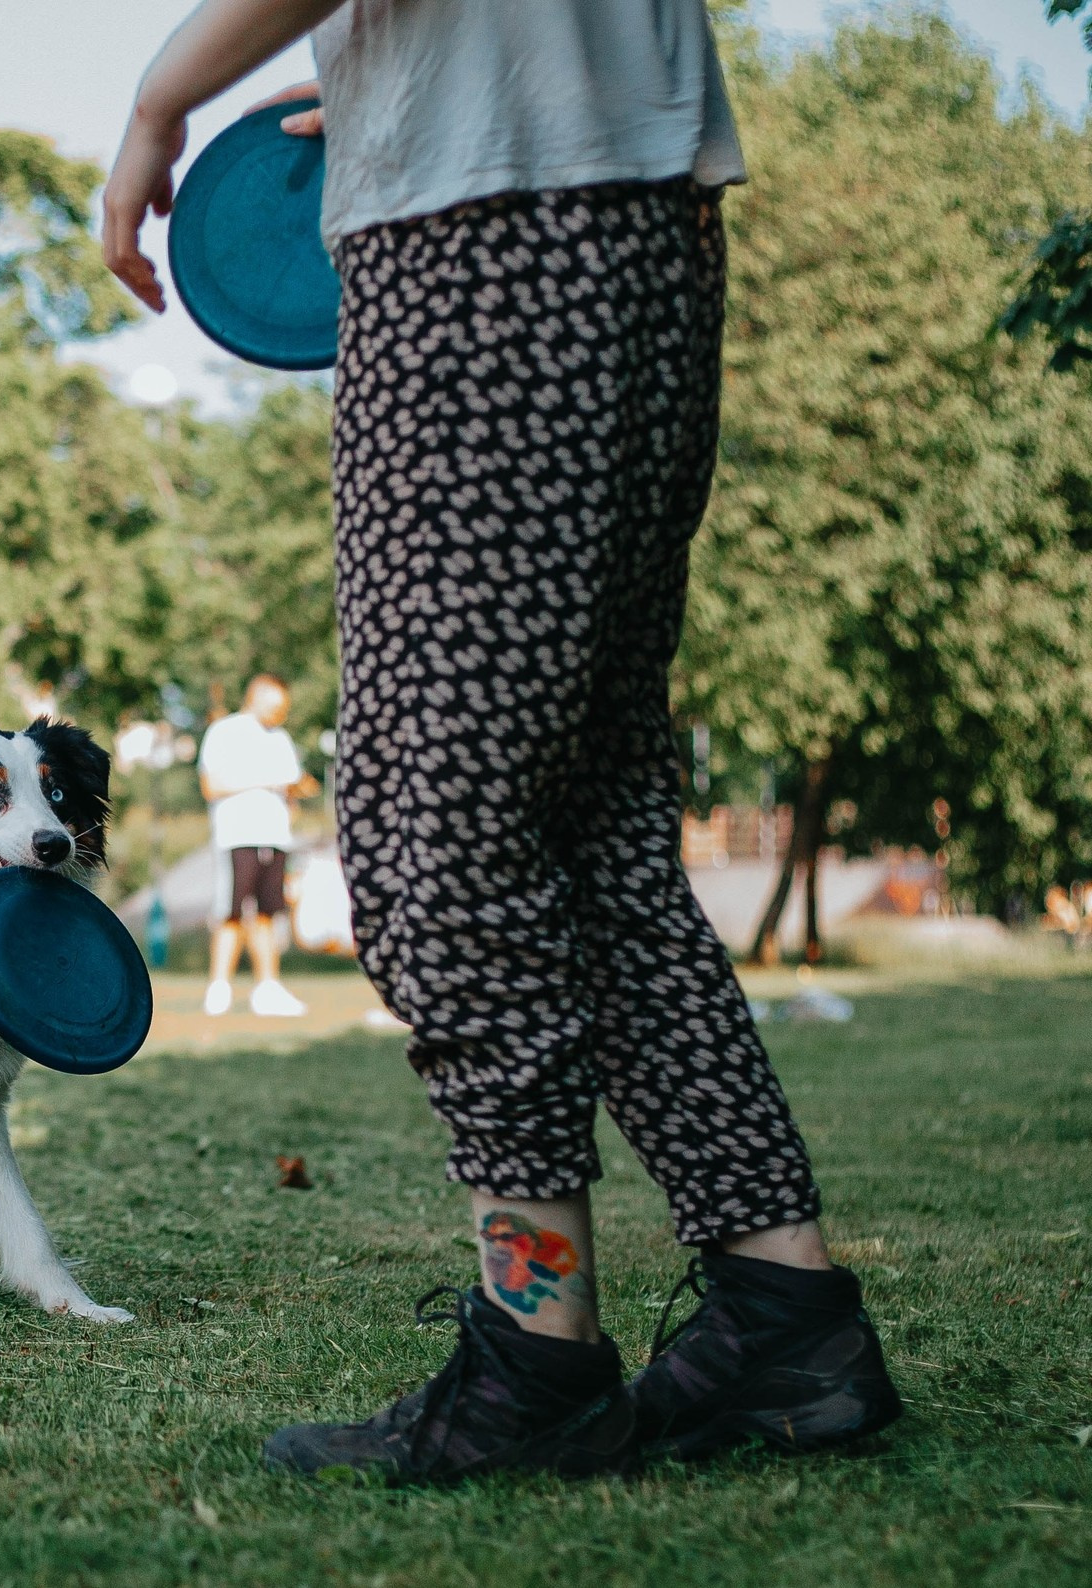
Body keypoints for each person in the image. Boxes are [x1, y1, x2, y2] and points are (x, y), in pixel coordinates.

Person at [104, 0, 899, 1484]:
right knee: (589, 826)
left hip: (489, 246)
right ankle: (788, 1318)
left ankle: (539, 1356)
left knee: (433, 832)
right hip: (628, 217)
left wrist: (163, 98)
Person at [197, 675, 314, 1017]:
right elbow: (211, 785)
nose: (280, 714)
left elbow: (291, 785)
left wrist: (293, 793)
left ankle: (267, 988)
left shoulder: (282, 739)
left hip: (274, 836)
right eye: (276, 706)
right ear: (256, 697)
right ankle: (219, 988)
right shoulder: (225, 732)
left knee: (267, 913)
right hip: (238, 834)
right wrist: (265, 781)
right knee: (231, 912)